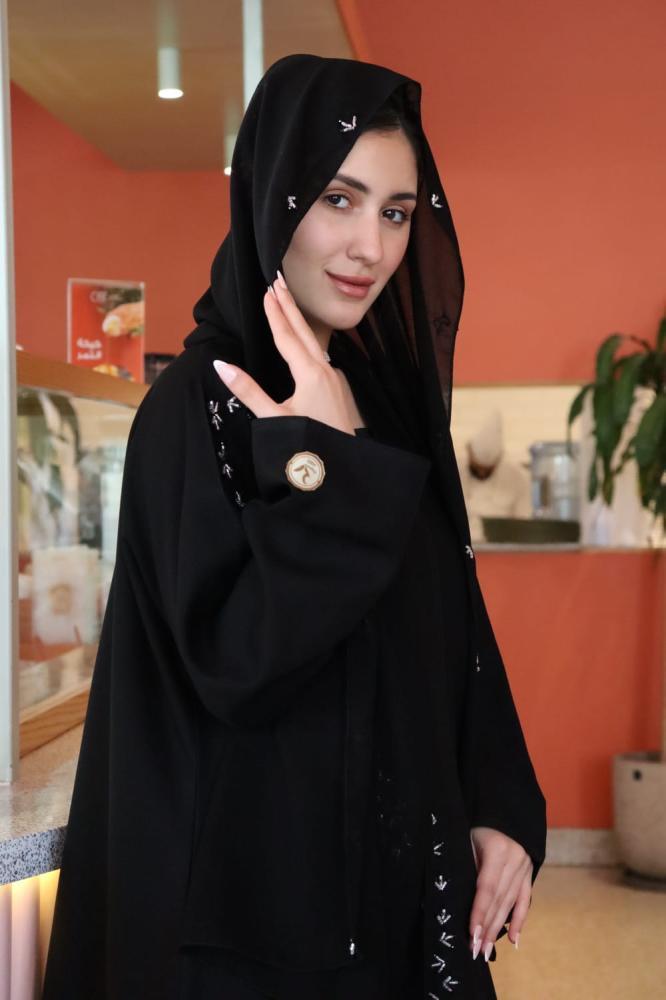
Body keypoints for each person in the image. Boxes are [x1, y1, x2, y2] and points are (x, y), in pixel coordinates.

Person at [42, 54, 546, 999]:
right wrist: (328, 465)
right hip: (249, 930)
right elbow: (239, 665)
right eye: (338, 200)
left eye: (396, 213)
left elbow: (451, 628)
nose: (370, 247)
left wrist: (500, 803)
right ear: (274, 197)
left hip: (395, 897)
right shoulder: (196, 409)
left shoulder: (387, 407)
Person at [457, 409, 533, 542]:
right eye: (477, 468)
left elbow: (524, 525)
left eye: (487, 471)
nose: (481, 473)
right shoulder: (454, 472)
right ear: (469, 451)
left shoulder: (519, 478)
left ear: (498, 460)